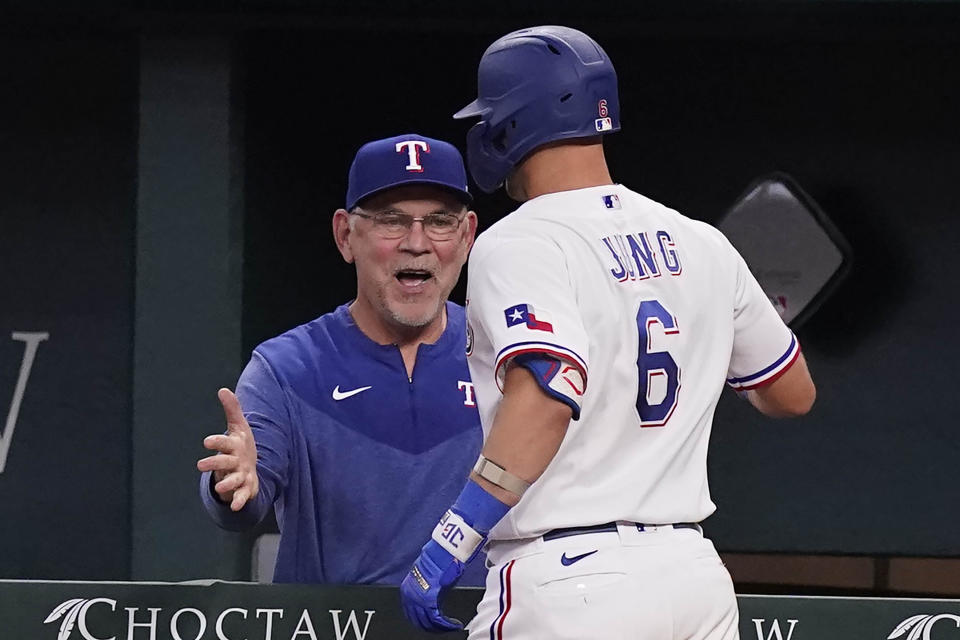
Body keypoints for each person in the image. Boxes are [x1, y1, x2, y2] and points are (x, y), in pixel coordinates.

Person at [400, 26, 816, 639]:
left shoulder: (521, 238)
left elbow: (550, 385)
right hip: (694, 575)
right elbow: (791, 392)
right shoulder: (701, 240)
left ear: (512, 124)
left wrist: (454, 537)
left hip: (572, 579)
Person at [198, 133, 487, 586]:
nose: (417, 242)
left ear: (467, 235)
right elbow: (244, 501)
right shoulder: (288, 367)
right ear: (345, 236)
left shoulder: (503, 355)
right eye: (392, 221)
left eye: (439, 222)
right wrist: (232, 481)